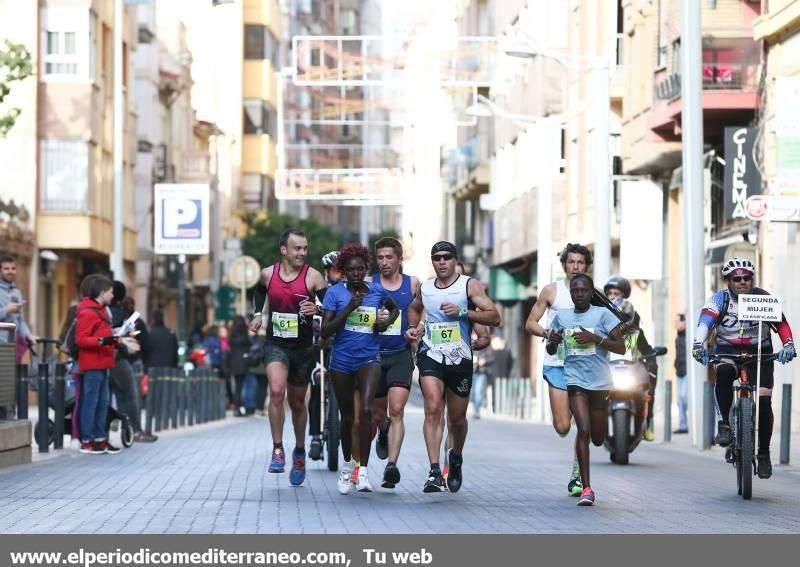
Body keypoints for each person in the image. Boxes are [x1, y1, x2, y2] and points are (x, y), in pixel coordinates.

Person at [405, 241, 501, 494]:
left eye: (447, 257)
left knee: (457, 419)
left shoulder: (469, 285)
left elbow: (494, 316)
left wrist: (463, 313)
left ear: (455, 260)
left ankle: (455, 457)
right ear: (432, 261)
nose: (442, 262)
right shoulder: (425, 288)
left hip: (460, 359)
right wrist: (413, 329)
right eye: (436, 258)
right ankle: (435, 471)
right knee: (433, 408)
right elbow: (413, 308)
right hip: (431, 355)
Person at [692, 257, 796, 478]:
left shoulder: (763, 298)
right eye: (736, 278)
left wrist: (788, 344)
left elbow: (782, 325)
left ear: (752, 279)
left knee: (766, 399)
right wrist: (698, 344)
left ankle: (764, 453)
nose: (742, 282)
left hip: (761, 353)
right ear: (728, 280)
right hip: (728, 353)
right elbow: (705, 323)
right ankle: (724, 424)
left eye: (746, 278)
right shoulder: (719, 300)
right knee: (722, 372)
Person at [248, 228, 327, 486]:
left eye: (305, 248)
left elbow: (331, 308)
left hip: (303, 347)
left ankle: (300, 451)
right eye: (297, 248)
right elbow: (258, 293)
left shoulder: (314, 277)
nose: (302, 253)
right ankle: (278, 449)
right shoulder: (267, 274)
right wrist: (257, 314)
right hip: (275, 344)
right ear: (284, 250)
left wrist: (317, 308)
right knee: (276, 390)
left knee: (296, 403)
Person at [321, 243, 399, 494]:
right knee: (347, 418)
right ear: (343, 271)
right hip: (341, 361)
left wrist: (385, 322)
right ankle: (346, 469)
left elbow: (395, 309)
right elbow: (325, 330)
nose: (355, 274)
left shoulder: (376, 291)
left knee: (365, 411)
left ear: (366, 269)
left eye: (360, 269)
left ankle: (363, 471)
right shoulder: (334, 293)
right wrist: (349, 309)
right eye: (350, 270)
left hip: (369, 358)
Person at [546, 274, 626, 506]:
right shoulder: (562, 317)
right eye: (575, 290)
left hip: (600, 383)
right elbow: (551, 350)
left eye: (584, 290)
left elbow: (621, 347)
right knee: (583, 429)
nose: (579, 294)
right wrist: (553, 340)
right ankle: (587, 488)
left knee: (598, 438)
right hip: (575, 380)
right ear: (571, 293)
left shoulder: (603, 315)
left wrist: (596, 339)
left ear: (591, 293)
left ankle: (597, 444)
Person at [524, 243, 593, 496]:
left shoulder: (593, 293)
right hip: (557, 364)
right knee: (563, 426)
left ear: (587, 266)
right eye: (571, 262)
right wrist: (548, 333)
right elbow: (530, 323)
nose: (575, 267)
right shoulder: (551, 291)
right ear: (564, 265)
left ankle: (578, 474)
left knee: (583, 426)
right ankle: (571, 419)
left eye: (580, 263)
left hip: (585, 366)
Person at [365, 237, 420, 489]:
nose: (384, 262)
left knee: (397, 409)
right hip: (374, 355)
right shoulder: (369, 284)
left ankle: (391, 466)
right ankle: (383, 430)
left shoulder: (413, 283)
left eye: (389, 257)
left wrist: (414, 330)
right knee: (378, 413)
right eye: (380, 258)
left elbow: (419, 312)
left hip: (400, 354)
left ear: (399, 258)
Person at [75, 274, 128, 455]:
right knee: (91, 402)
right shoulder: (88, 312)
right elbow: (81, 339)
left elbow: (102, 337)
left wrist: (117, 340)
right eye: (111, 293)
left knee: (102, 402)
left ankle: (99, 439)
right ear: (103, 293)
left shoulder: (102, 311)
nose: (113, 296)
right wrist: (101, 341)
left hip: (104, 363)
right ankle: (87, 441)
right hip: (92, 364)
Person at [602, 276, 658, 441]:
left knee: (652, 374)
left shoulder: (634, 320)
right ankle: (591, 423)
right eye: (610, 293)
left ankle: (647, 423)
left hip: (629, 369)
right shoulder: (600, 318)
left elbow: (644, 345)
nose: (613, 296)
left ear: (624, 295)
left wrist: (651, 357)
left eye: (617, 293)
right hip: (607, 368)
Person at [107, 282, 156, 444]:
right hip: (118, 358)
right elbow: (146, 344)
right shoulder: (116, 313)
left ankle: (116, 430)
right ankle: (135, 430)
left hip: (104, 359)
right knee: (129, 394)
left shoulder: (103, 310)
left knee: (112, 396)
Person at [308, 250, 340, 459]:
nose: (339, 274)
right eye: (335, 270)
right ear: (327, 271)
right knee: (317, 382)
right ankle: (315, 436)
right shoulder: (318, 294)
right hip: (319, 347)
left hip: (343, 347)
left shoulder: (351, 291)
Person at [119, 296, 157, 443]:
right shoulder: (138, 322)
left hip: (116, 360)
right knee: (132, 396)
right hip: (133, 362)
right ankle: (135, 429)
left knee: (119, 395)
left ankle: (122, 425)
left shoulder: (116, 318)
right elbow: (147, 344)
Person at [0, 255, 38, 357]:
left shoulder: (17, 292)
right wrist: (6, 310)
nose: (10, 271)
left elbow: (20, 320)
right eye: (6, 269)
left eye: (13, 268)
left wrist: (27, 335)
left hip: (12, 345)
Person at [228, 316, 253, 416]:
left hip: (233, 363)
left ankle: (237, 408)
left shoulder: (232, 336)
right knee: (241, 387)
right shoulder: (244, 336)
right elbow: (249, 347)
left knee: (237, 387)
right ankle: (240, 408)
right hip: (243, 363)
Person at [673, 313, 688, 434]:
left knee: (684, 397)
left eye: (678, 322)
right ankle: (683, 425)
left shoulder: (689, 336)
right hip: (680, 371)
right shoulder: (678, 337)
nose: (676, 324)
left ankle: (689, 423)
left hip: (688, 371)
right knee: (679, 400)